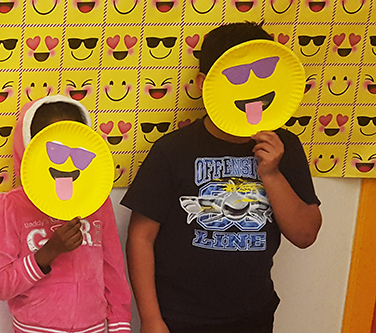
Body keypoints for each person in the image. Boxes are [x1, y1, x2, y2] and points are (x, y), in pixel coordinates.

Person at [122, 22, 322, 333]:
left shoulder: (286, 147)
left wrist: (270, 173)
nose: (251, 90)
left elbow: (305, 234)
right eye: (238, 78)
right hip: (181, 317)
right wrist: (150, 318)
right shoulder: (172, 150)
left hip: (253, 314)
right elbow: (140, 237)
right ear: (205, 83)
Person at [0, 95, 132, 333]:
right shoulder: (10, 205)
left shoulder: (97, 202)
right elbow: (1, 285)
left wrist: (120, 325)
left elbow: (113, 270)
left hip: (93, 327)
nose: (64, 157)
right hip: (34, 328)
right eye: (52, 146)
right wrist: (48, 253)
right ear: (28, 145)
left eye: (71, 145)